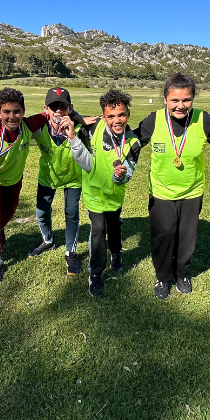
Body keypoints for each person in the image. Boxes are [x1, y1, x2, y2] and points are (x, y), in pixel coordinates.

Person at [133, 72, 210, 299]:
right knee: (163, 235)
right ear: (165, 98)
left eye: (186, 100)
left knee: (186, 237)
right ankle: (163, 277)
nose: (180, 105)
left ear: (193, 99)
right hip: (161, 191)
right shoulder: (153, 120)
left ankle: (182, 274)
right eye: (175, 100)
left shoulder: (203, 119)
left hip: (192, 191)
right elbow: (132, 140)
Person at [64, 90, 141, 297]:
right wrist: (72, 136)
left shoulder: (133, 142)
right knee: (98, 231)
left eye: (122, 114)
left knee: (114, 226)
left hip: (114, 195)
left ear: (128, 114)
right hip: (93, 194)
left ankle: (116, 253)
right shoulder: (92, 129)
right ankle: (96, 274)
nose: (117, 120)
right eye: (111, 116)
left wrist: (119, 175)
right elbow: (85, 162)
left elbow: (128, 175)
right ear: (103, 116)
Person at [0, 87, 51, 284]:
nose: (12, 116)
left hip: (14, 181)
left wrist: (76, 117)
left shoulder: (28, 125)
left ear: (23, 111)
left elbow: (49, 113)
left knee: (9, 212)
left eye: (16, 111)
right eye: (6, 112)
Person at [27, 87, 84, 277]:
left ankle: (71, 252)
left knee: (71, 215)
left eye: (63, 106)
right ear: (46, 109)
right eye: (53, 107)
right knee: (41, 213)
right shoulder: (39, 127)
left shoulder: (79, 128)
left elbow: (103, 123)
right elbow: (18, 124)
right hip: (48, 177)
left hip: (73, 178)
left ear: (70, 108)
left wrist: (79, 120)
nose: (58, 111)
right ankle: (48, 240)